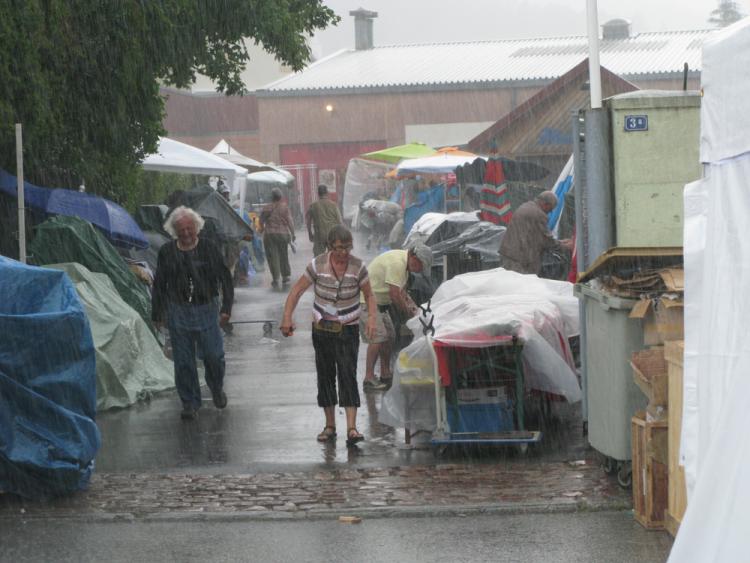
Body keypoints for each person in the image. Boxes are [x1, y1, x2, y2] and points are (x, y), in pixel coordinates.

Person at [280, 225, 377, 447]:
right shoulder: (317, 265)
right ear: (330, 247)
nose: (344, 253)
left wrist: (371, 319)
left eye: (348, 248)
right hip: (322, 329)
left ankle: (352, 428)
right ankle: (330, 426)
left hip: (348, 328)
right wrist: (287, 317)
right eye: (339, 248)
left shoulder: (358, 266)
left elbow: (369, 295)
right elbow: (296, 291)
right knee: (325, 375)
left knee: (347, 374)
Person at [152, 206, 234, 420]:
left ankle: (216, 388)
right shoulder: (167, 252)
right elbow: (160, 283)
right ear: (174, 231)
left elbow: (225, 278)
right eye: (181, 230)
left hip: (207, 308)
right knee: (183, 361)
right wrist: (157, 313)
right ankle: (189, 402)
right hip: (178, 311)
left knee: (213, 356)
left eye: (190, 228)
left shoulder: (209, 248)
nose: (186, 234)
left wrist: (226, 308)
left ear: (197, 227)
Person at [360, 244, 433, 391]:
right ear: (414, 257)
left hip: (380, 304)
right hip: (367, 302)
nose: (420, 270)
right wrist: (407, 315)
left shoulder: (404, 268)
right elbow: (395, 295)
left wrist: (415, 311)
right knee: (378, 338)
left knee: (390, 337)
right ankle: (368, 378)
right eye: (420, 265)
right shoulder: (397, 263)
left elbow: (402, 293)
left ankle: (385, 374)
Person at [499, 191, 573, 276]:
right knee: (522, 286)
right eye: (551, 209)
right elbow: (546, 240)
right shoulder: (538, 215)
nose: (550, 212)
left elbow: (537, 236)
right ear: (546, 204)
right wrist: (565, 246)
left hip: (510, 254)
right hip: (520, 260)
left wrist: (560, 242)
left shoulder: (526, 206)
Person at [260, 187, 295, 289]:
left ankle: (275, 278)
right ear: (280, 197)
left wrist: (261, 230)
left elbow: (261, 221)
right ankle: (285, 276)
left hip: (270, 235)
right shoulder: (285, 207)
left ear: (272, 197)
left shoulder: (266, 208)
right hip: (283, 234)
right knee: (283, 254)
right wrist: (293, 234)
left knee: (273, 256)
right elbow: (290, 221)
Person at [305, 184, 343, 257]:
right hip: (332, 235)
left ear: (318, 193)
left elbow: (308, 222)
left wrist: (310, 234)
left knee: (318, 258)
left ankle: (320, 268)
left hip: (319, 235)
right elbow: (340, 221)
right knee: (333, 257)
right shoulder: (333, 205)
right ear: (327, 193)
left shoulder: (313, 205)